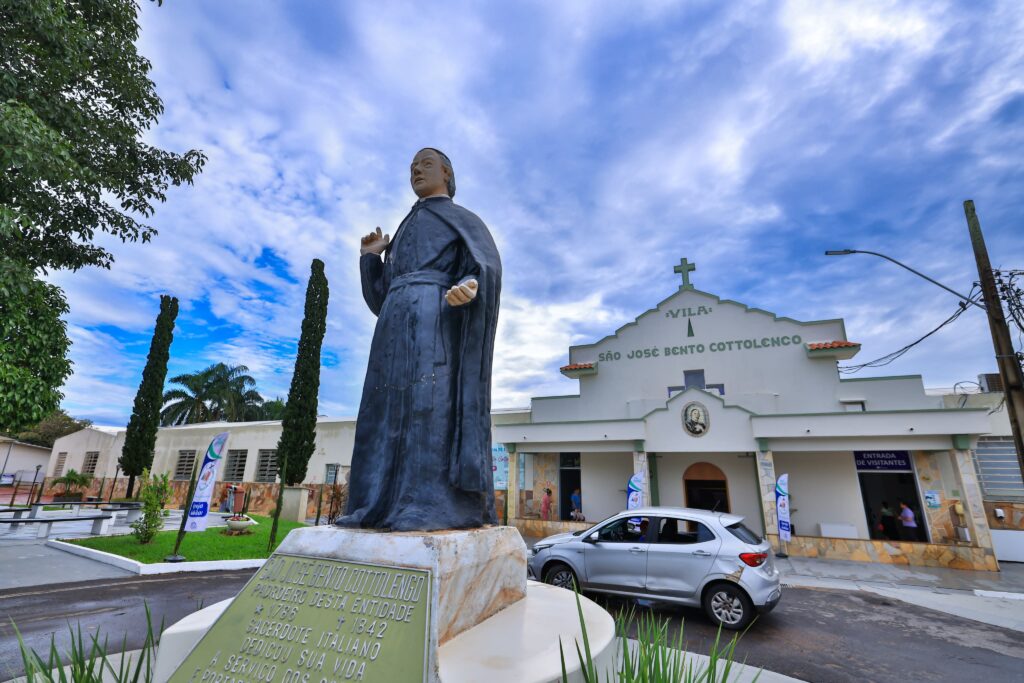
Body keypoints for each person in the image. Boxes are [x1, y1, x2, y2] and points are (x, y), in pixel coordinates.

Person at [336, 148, 502, 532]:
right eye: (412, 166)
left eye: (426, 164)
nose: (416, 170)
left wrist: (470, 286)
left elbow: (483, 267)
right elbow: (380, 298)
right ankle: (375, 504)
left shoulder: (464, 220)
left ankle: (429, 505)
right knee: (383, 410)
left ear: (447, 173)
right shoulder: (403, 228)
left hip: (436, 320)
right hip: (392, 330)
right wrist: (370, 258)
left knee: (429, 408)